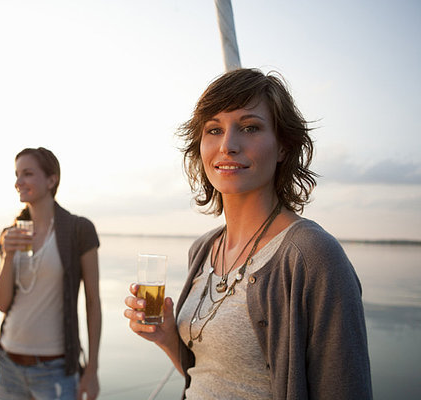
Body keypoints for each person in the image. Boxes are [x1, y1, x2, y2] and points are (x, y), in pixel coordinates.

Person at [124, 68, 373, 399]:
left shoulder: (312, 256)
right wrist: (168, 336)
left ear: (283, 147)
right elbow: (207, 375)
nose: (228, 145)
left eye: (249, 127)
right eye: (214, 129)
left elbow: (345, 389)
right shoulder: (203, 249)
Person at [0, 147, 101, 400]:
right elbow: (1, 303)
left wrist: (92, 369)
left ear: (52, 180)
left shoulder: (79, 230)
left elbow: (93, 302)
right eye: (17, 174)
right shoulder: (10, 234)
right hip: (8, 363)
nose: (18, 182)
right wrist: (8, 255)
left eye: (28, 174)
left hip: (56, 369)